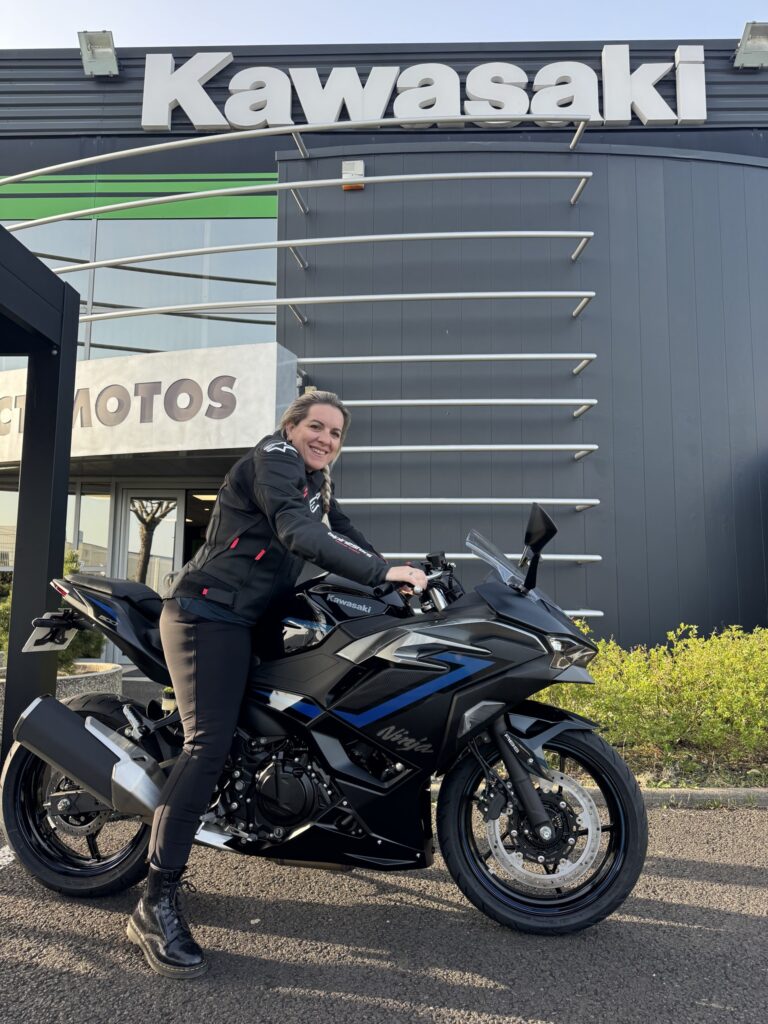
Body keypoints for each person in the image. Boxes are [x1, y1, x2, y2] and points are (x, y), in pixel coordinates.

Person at [126, 390, 428, 979]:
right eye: (317, 426)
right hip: (208, 612)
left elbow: (343, 533)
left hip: (252, 619)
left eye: (336, 433)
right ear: (291, 426)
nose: (326, 439)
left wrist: (397, 576)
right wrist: (378, 571)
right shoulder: (274, 459)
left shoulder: (318, 485)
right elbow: (296, 531)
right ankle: (154, 901)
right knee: (208, 745)